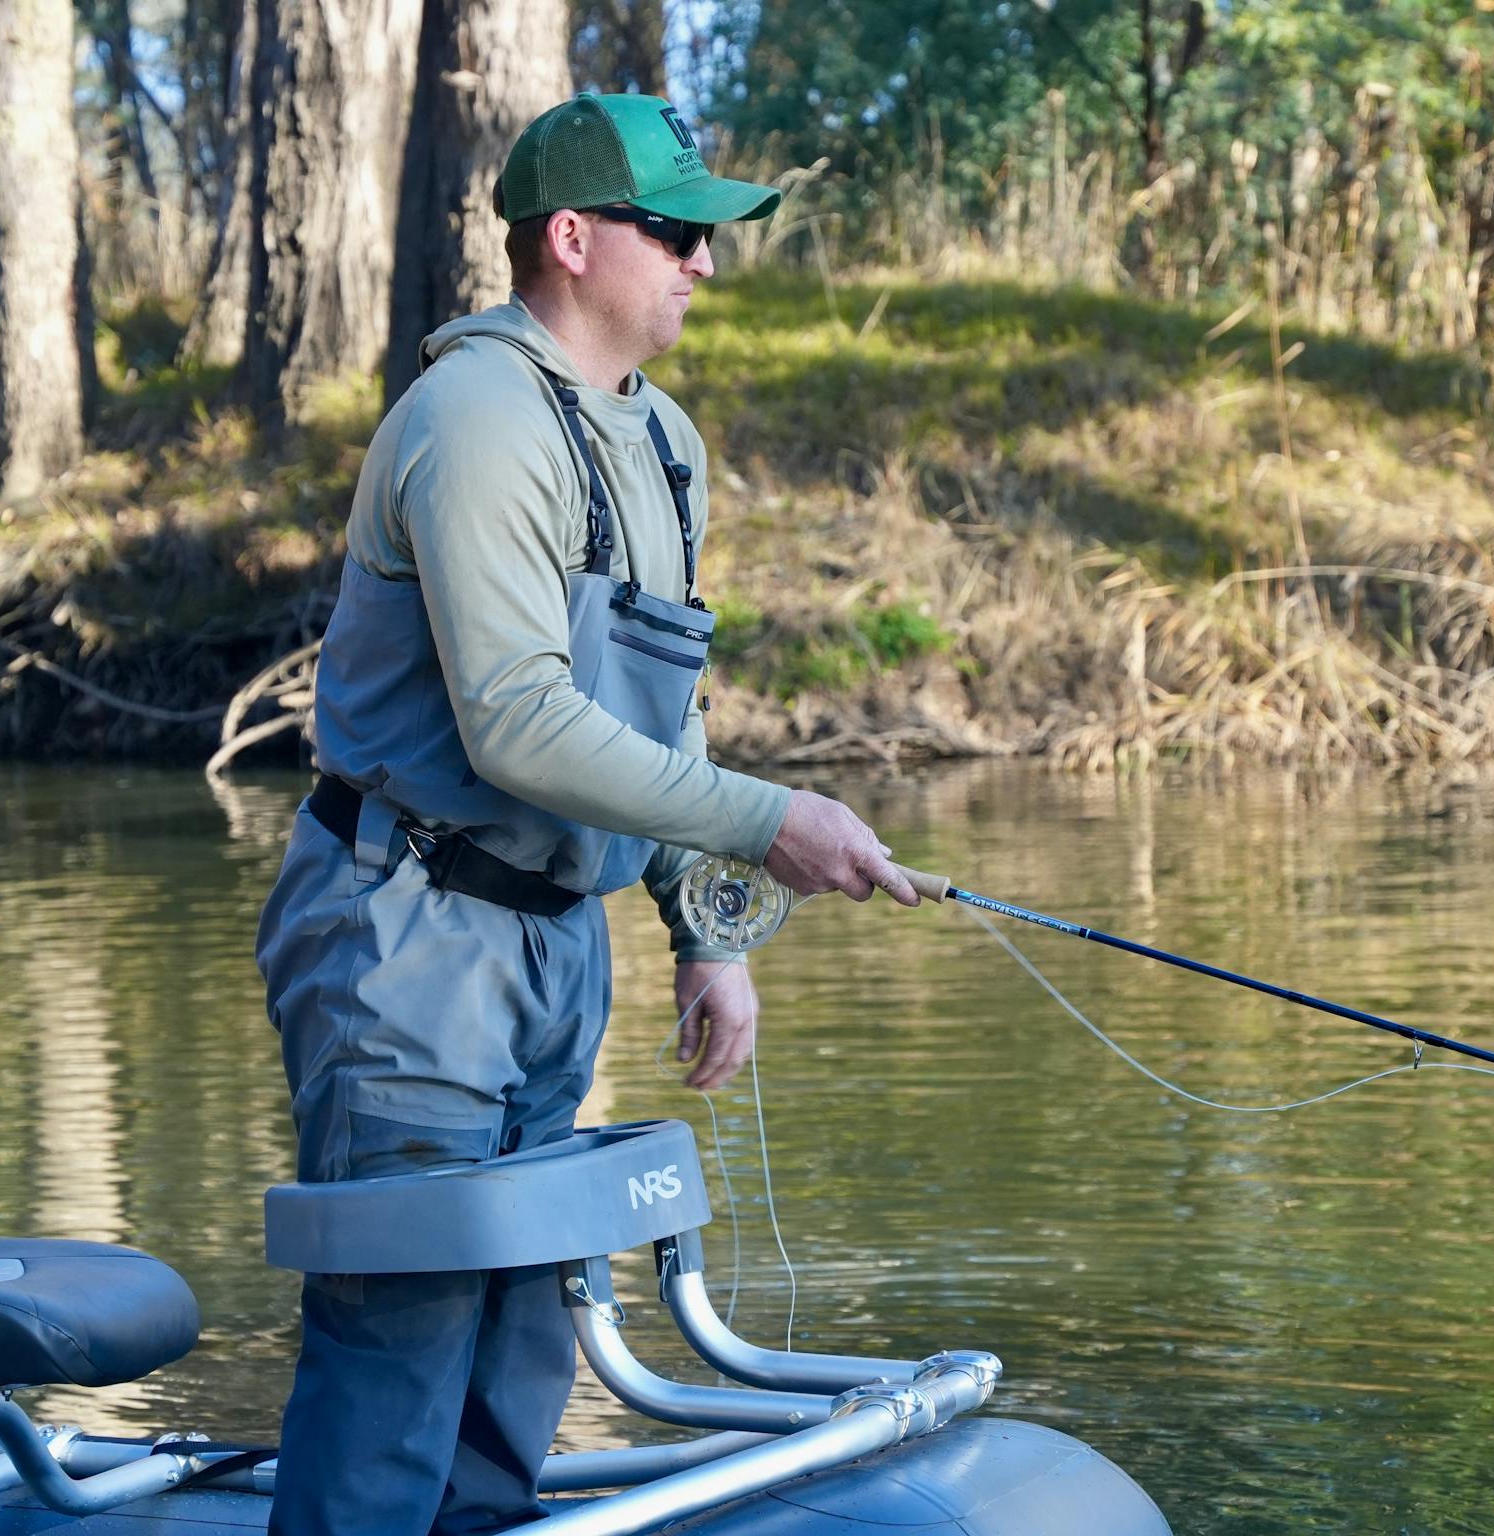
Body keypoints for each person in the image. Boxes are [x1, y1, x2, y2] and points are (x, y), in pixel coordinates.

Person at [254, 91, 919, 1536]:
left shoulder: (663, 438)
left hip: (558, 943)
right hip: (404, 930)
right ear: (571, 239)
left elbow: (658, 709)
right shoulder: (477, 419)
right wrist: (766, 821)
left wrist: (710, 931)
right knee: (404, 1339)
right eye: (677, 231)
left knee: (531, 1339)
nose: (703, 263)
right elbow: (520, 722)